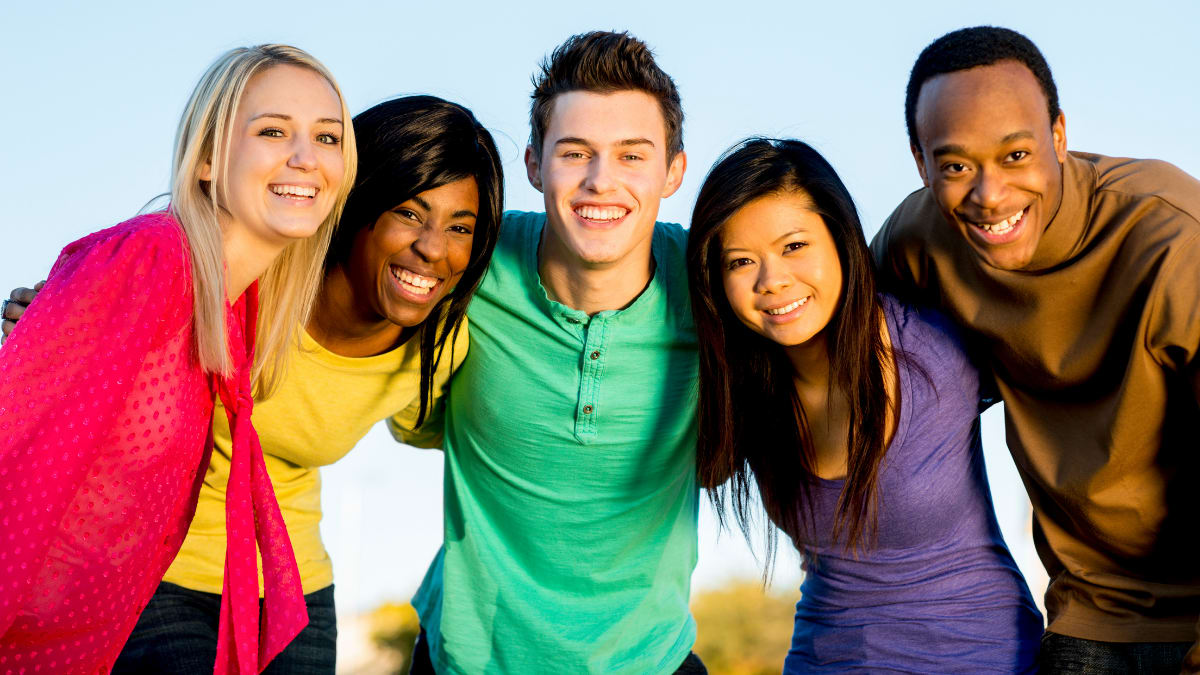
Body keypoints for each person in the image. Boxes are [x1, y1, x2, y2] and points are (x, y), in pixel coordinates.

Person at [3, 96, 504, 673]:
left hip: (295, 587)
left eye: (459, 226)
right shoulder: (255, 275)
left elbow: (466, 440)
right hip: (160, 573)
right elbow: (114, 314)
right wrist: (52, 322)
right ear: (358, 201)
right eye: (410, 214)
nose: (434, 247)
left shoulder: (438, 350)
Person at [0, 44, 357, 674]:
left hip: (91, 640)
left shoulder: (238, 310)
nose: (305, 158)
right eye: (273, 131)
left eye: (327, 137)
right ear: (210, 157)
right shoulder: (152, 261)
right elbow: (17, 462)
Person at [870, 26, 1200, 673]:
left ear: (1058, 134)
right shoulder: (919, 241)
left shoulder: (1169, 236)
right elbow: (836, 349)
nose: (989, 194)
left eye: (1015, 155)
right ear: (921, 162)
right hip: (1088, 607)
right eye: (956, 165)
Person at [402, 31, 706, 674]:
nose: (601, 181)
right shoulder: (468, 261)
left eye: (631, 155)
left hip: (649, 661)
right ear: (535, 164)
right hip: (466, 658)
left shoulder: (711, 283)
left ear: (673, 172)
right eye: (576, 153)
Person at [687, 137, 1042, 672]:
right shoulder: (742, 389)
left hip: (983, 656)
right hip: (825, 659)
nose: (772, 280)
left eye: (794, 246)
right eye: (741, 261)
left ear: (840, 240)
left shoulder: (931, 347)